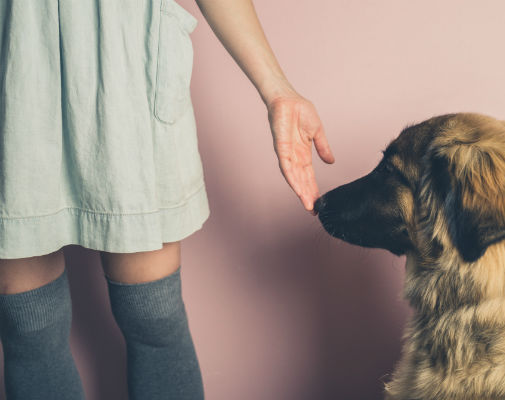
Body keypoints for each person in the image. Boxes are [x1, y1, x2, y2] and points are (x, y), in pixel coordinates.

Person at [0, 0, 334, 399]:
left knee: (153, 317)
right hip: (12, 68)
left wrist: (278, 91)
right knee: (28, 329)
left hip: (126, 72)